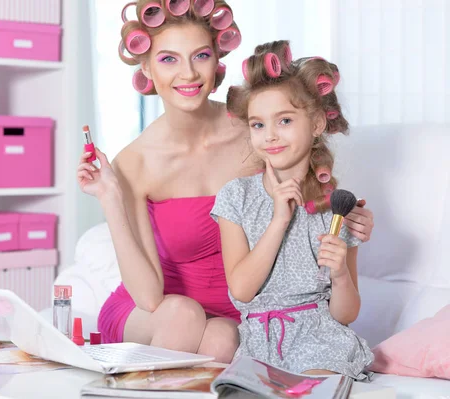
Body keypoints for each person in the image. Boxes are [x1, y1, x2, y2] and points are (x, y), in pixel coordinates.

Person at [77, 1, 374, 364]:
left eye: (199, 56)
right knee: (183, 315)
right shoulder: (135, 162)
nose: (187, 74)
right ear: (146, 67)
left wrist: (351, 222)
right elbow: (150, 298)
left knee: (221, 339)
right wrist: (111, 198)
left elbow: (305, 190)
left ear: (216, 61)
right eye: (168, 59)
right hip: (158, 314)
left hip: (239, 312)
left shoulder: (255, 128)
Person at [210, 40, 374, 378]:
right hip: (258, 341)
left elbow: (345, 314)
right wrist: (278, 221)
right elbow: (241, 289)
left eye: (284, 121)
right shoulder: (235, 196)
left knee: (312, 387)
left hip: (319, 340)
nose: (270, 135)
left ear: (315, 124)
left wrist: (341, 273)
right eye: (258, 124)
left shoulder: (336, 207)